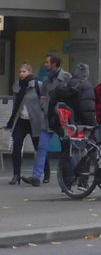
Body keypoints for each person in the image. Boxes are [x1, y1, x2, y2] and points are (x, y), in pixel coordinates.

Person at [23, 55, 72, 187]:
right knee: (42, 146)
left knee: (66, 148)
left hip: (62, 118)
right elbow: (43, 96)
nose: (45, 64)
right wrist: (43, 105)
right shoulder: (46, 79)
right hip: (48, 117)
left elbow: (72, 96)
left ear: (54, 64)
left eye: (47, 62)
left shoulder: (67, 77)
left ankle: (69, 177)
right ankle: (36, 176)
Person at [5, 63, 44, 184]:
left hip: (34, 121)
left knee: (39, 147)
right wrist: (12, 120)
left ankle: (45, 172)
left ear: (30, 72)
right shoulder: (17, 85)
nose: (21, 74)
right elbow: (16, 104)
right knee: (16, 147)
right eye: (20, 72)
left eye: (24, 71)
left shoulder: (38, 85)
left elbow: (43, 102)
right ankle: (16, 175)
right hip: (20, 120)